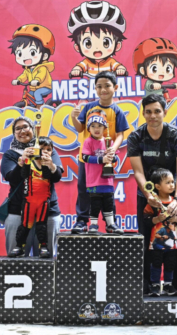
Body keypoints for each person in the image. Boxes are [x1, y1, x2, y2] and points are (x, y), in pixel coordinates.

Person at [127, 93, 177, 294]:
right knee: (146, 241)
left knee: (174, 242)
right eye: (148, 112)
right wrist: (148, 196)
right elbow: (138, 172)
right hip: (147, 197)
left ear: (165, 112)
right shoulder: (136, 137)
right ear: (143, 113)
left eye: (157, 111)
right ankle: (147, 286)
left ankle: (175, 286)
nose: (153, 116)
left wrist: (176, 199)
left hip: (172, 197)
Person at [71, 71, 129, 233]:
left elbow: (120, 135)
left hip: (107, 159)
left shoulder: (117, 111)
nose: (103, 89)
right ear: (95, 89)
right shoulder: (89, 107)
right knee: (84, 189)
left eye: (107, 86)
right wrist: (73, 117)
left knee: (107, 192)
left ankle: (111, 223)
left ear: (115, 87)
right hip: (88, 159)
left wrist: (113, 149)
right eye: (99, 86)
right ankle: (82, 221)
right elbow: (80, 128)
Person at [1, 116, 63, 257]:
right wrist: (22, 161)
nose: (22, 131)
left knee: (47, 258)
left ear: (33, 129)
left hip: (48, 210)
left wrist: (50, 164)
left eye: (25, 127)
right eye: (18, 129)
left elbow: (57, 177)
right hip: (18, 211)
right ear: (14, 133)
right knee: (16, 259)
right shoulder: (10, 154)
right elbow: (11, 178)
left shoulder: (48, 149)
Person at [143, 168, 177, 296]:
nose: (172, 185)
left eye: (173, 182)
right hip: (156, 242)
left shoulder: (175, 203)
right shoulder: (153, 203)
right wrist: (157, 219)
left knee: (170, 263)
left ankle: (168, 285)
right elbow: (146, 220)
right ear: (157, 186)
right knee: (156, 263)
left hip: (172, 242)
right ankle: (155, 285)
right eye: (168, 182)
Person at [81, 109, 123, 234]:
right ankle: (93, 225)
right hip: (93, 181)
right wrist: (101, 159)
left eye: (99, 125)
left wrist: (111, 156)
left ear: (105, 127)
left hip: (107, 180)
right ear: (88, 128)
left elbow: (115, 158)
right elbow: (85, 157)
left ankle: (110, 224)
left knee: (108, 203)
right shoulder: (88, 141)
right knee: (95, 203)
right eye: (93, 126)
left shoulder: (109, 141)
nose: (96, 129)